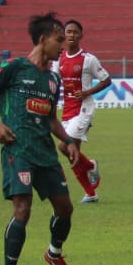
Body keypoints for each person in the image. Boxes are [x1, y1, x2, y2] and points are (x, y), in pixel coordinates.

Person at [0, 12, 81, 265]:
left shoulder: (52, 80)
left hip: (45, 152)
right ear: (43, 40)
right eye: (59, 40)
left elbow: (51, 118)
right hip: (17, 149)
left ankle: (54, 254)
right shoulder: (14, 67)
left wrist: (69, 141)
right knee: (22, 208)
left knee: (65, 208)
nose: (62, 45)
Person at [53, 19, 111, 203]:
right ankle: (90, 187)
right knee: (71, 152)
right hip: (67, 110)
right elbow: (54, 83)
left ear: (81, 36)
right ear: (63, 35)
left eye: (75, 32)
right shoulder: (59, 59)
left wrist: (87, 92)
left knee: (65, 146)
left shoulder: (88, 59)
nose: (71, 35)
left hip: (84, 109)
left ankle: (90, 177)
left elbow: (106, 80)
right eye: (68, 32)